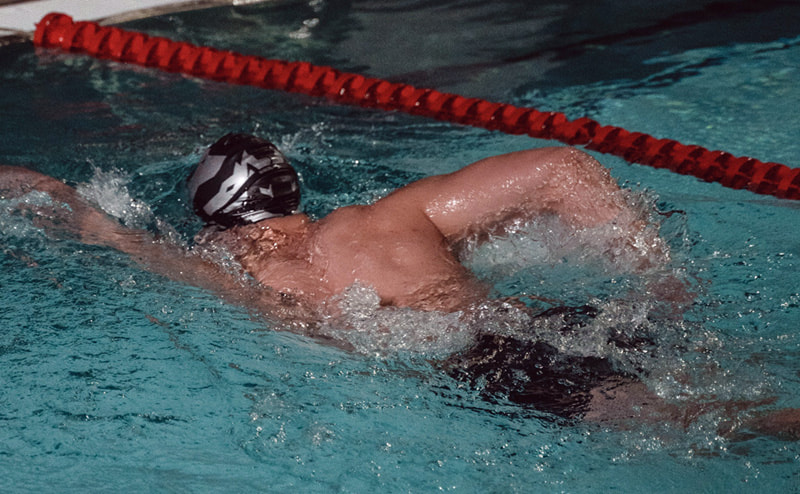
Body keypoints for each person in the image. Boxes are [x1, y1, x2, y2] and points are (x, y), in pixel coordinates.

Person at [1, 133, 797, 438]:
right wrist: (664, 280)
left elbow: (91, 224)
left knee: (705, 426)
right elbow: (563, 167)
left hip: (489, 362)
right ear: (293, 193)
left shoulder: (228, 273)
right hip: (560, 319)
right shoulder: (387, 217)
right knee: (725, 377)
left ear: (213, 222)